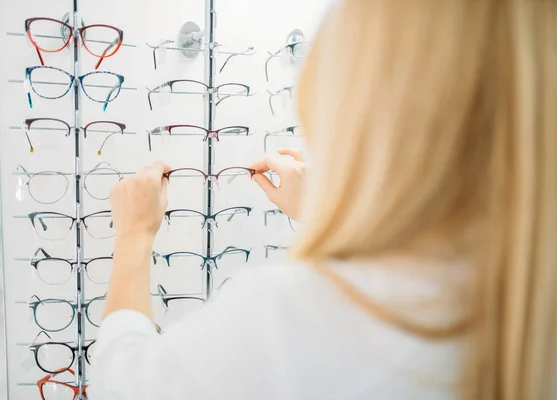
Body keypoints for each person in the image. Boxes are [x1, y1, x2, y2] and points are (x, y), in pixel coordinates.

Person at [93, 1, 557, 399]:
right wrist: (330, 215)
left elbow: (125, 387)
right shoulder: (524, 297)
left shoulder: (292, 317)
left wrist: (134, 236)